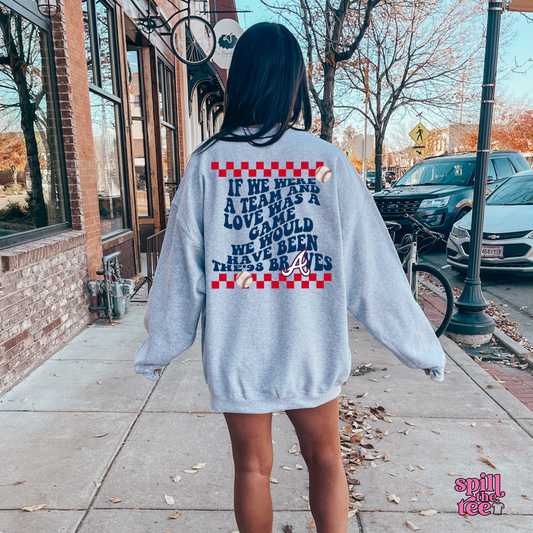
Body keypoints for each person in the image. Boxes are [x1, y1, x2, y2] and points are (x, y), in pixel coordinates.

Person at [134, 22, 446, 533]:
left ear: (239, 79)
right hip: (311, 345)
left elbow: (179, 268)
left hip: (239, 350)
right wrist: (420, 347)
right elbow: (373, 267)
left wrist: (160, 346)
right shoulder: (327, 162)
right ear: (295, 82)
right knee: (326, 458)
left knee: (252, 468)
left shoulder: (209, 164)